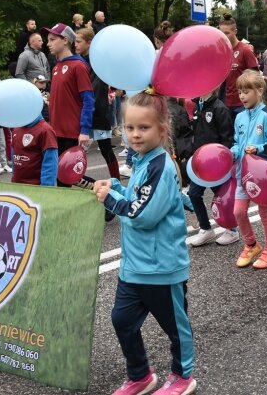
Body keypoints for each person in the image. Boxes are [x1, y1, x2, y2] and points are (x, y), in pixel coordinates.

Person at [93, 91, 197, 395]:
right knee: (122, 320)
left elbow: (142, 215)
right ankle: (140, 374)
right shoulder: (141, 162)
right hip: (134, 267)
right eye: (130, 127)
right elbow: (135, 196)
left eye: (144, 128)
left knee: (175, 328)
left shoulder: (160, 167)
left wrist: (109, 198)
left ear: (161, 130)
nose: (135, 134)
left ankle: (182, 375)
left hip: (161, 268)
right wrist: (113, 185)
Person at [228, 71, 267, 269]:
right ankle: (251, 244)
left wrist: (258, 149)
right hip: (243, 173)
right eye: (240, 92)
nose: (241, 96)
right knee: (238, 212)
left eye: (246, 91)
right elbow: (237, 143)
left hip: (263, 177)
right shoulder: (239, 117)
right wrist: (231, 153)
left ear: (259, 91)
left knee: (264, 211)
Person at [43, 23, 95, 186]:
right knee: (59, 175)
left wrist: (84, 130)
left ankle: (103, 195)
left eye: (52, 39)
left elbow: (88, 99)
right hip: (55, 131)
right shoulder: (56, 67)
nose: (48, 43)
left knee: (69, 175)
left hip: (71, 132)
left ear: (65, 40)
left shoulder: (78, 66)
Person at [185, 87, 234, 247]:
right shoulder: (198, 107)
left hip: (216, 163)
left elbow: (227, 138)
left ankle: (232, 229)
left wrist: (224, 162)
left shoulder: (220, 108)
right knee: (193, 194)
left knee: (221, 196)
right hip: (200, 162)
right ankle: (206, 229)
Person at [74, 27, 120, 180]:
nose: (75, 44)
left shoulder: (97, 61)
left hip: (97, 113)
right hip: (83, 112)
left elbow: (95, 90)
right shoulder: (77, 60)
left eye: (79, 41)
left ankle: (116, 181)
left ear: (89, 43)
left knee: (106, 149)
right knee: (78, 151)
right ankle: (80, 182)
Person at [218, 14, 259, 119]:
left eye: (227, 33)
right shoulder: (222, 51)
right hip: (225, 103)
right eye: (221, 33)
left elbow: (255, 77)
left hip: (242, 104)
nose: (224, 36)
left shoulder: (245, 50)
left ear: (235, 32)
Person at [11, 114, 58, 187]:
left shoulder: (46, 130)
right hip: (17, 185)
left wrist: (47, 188)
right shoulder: (17, 129)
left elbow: (50, 163)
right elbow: (14, 155)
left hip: (36, 187)